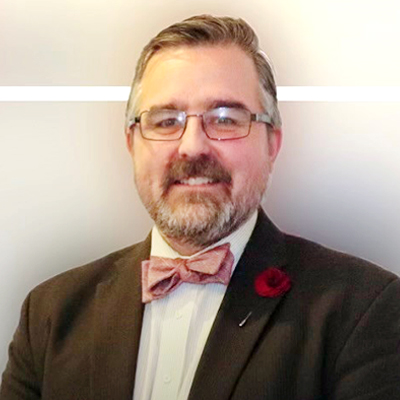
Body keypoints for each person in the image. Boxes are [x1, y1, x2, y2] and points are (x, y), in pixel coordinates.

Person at [1, 14, 399, 400]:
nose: (192, 147)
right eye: (165, 121)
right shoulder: (49, 314)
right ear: (132, 144)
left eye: (225, 119)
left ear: (272, 144)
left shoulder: (363, 310)